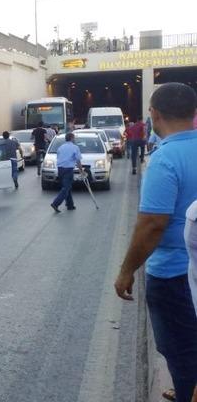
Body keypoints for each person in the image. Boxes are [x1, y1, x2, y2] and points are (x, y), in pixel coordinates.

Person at [114, 83, 197, 402]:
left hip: (174, 275)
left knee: (178, 346)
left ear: (154, 114)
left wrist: (125, 272)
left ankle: (186, 390)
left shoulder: (164, 160)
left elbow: (151, 225)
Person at [50, 132, 81, 213]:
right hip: (68, 169)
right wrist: (81, 171)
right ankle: (55, 203)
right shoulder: (75, 147)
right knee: (66, 188)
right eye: (74, 138)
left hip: (60, 169)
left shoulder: (60, 147)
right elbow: (78, 160)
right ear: (71, 138)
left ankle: (70, 205)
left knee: (67, 187)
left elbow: (59, 158)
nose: (75, 139)